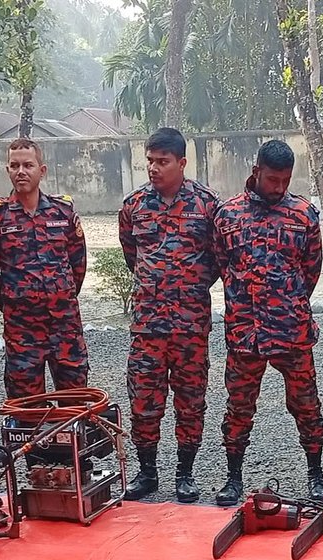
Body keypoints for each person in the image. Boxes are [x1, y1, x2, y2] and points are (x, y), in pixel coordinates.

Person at [211, 140, 323, 505]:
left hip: (292, 332)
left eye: (285, 181)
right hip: (245, 333)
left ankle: (316, 474)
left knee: (307, 405)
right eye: (273, 179)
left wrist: (287, 302)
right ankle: (232, 478)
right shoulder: (227, 215)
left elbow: (311, 271)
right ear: (256, 170)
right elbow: (220, 264)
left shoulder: (305, 215)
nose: (279, 188)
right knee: (239, 407)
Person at [118, 127, 221, 502]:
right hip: (147, 325)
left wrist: (190, 286)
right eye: (149, 161)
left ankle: (185, 473)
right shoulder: (134, 206)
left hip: (191, 324)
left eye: (162, 162)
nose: (153, 168)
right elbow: (133, 255)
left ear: (182, 162)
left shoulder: (208, 204)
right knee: (144, 401)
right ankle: (147, 473)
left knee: (190, 400)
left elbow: (217, 259)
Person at [0, 138, 87, 400]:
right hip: (22, 330)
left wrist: (62, 296)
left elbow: (78, 264)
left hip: (65, 326)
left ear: (42, 170)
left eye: (28, 165)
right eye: (14, 165)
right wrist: (14, 303)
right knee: (26, 407)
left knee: (75, 403)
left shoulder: (62, 212)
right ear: (8, 170)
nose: (21, 171)